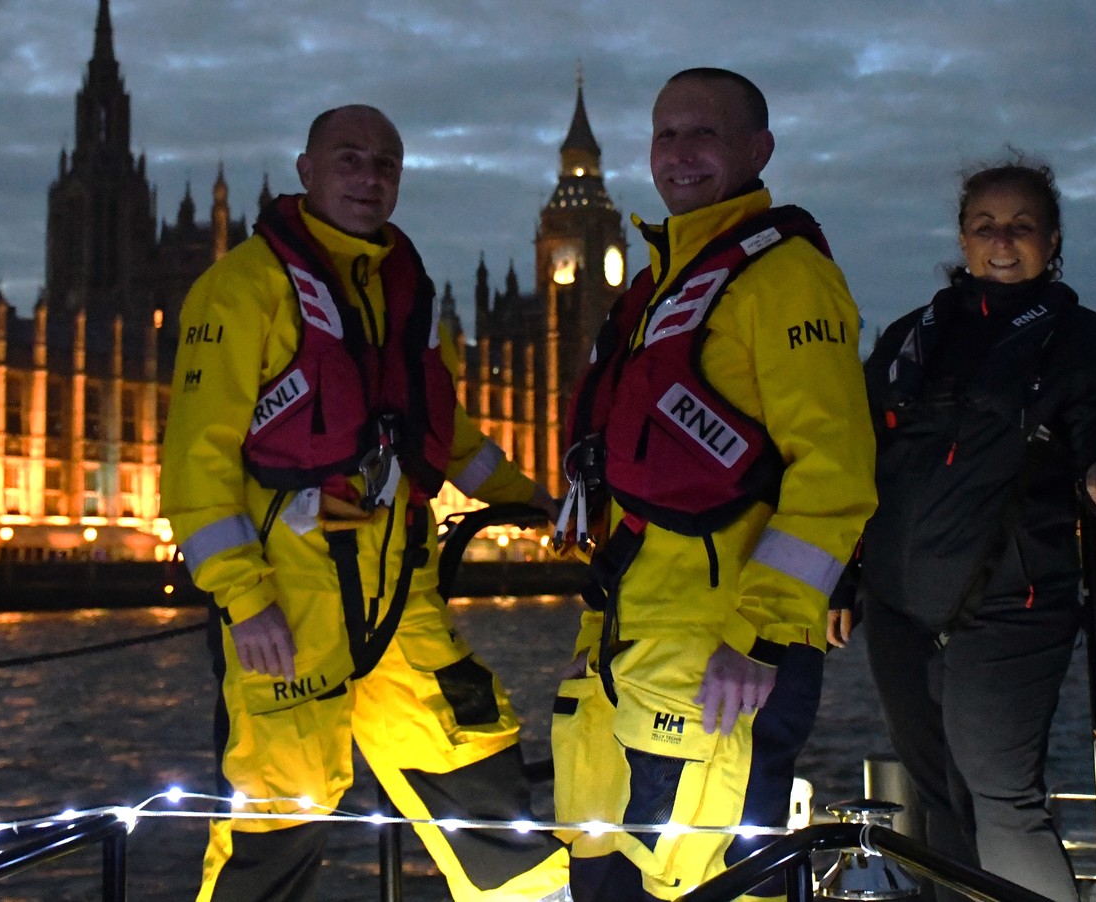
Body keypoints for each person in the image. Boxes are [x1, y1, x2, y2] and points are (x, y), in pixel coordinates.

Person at [161, 104, 570, 902]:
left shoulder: (406, 296)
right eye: (349, 158)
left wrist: (533, 504)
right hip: (291, 605)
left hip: (398, 599)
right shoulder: (240, 288)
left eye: (386, 163)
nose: (369, 175)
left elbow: (449, 437)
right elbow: (194, 465)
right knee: (279, 819)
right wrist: (246, 602)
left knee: (480, 775)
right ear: (306, 170)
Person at [550, 68, 879, 901]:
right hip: (627, 645)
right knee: (604, 878)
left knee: (703, 883)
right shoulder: (661, 282)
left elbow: (835, 473)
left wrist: (762, 636)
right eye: (666, 135)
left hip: (724, 660)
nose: (680, 154)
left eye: (705, 135)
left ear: (758, 150)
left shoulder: (787, 277)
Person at [831, 156, 1096, 902]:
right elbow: (861, 458)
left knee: (1002, 798)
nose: (1002, 240)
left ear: (1052, 240)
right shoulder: (912, 338)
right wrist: (846, 575)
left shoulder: (1083, 342)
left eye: (1021, 226)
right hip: (899, 604)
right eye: (985, 226)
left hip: (1012, 602)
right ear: (962, 238)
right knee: (937, 794)